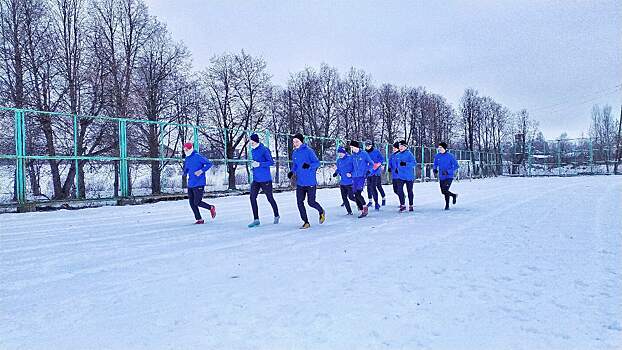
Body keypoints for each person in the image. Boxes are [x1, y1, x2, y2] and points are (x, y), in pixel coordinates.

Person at [287, 133, 325, 229]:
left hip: (310, 182)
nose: (295, 143)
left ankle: (321, 211)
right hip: (300, 183)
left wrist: (309, 166)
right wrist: (292, 172)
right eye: (294, 142)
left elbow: (317, 163)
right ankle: (306, 222)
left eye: (297, 141)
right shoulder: (294, 153)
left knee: (311, 202)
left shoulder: (308, 151)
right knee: (299, 202)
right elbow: (295, 165)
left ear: (301, 141)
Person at [247, 133, 280, 228]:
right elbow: (255, 162)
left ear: (256, 141)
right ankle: (256, 219)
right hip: (256, 179)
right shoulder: (252, 151)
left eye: (252, 141)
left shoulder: (264, 149)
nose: (251, 143)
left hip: (265, 179)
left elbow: (271, 162)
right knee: (252, 197)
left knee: (269, 198)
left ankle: (276, 215)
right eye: (250, 142)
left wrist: (259, 164)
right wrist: (253, 166)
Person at [183, 142, 216, 224]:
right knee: (192, 203)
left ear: (191, 149)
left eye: (187, 149)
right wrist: (184, 172)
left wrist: (201, 171)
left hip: (199, 183)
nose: (185, 151)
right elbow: (187, 168)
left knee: (197, 202)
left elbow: (209, 164)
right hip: (190, 183)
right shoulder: (187, 158)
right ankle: (199, 219)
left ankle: (211, 207)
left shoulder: (197, 156)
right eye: (184, 149)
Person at [349, 140, 374, 218]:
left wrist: (369, 171)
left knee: (358, 193)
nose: (351, 149)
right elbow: (351, 166)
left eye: (352, 147)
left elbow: (371, 163)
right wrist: (350, 173)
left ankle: (364, 208)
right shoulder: (352, 156)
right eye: (351, 147)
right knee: (355, 193)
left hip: (361, 176)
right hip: (354, 177)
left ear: (356, 147)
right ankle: (361, 208)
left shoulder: (364, 154)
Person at [433, 142, 460, 210]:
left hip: (449, 176)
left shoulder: (450, 156)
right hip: (441, 176)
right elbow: (435, 164)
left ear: (444, 148)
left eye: (441, 147)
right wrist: (435, 169)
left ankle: (447, 205)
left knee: (445, 190)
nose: (439, 149)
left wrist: (448, 171)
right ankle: (453, 195)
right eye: (439, 148)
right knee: (443, 191)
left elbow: (456, 166)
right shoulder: (437, 156)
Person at [332, 146, 356, 215]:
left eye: (341, 153)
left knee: (351, 197)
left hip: (350, 182)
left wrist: (351, 174)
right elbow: (339, 169)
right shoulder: (338, 160)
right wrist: (336, 173)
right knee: (344, 198)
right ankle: (349, 212)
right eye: (339, 153)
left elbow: (355, 168)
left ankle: (359, 203)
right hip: (342, 183)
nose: (340, 154)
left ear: (344, 153)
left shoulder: (350, 158)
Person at [395, 140, 417, 212]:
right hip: (400, 176)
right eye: (399, 146)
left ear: (405, 147)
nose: (400, 147)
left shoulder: (409, 154)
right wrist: (396, 169)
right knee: (399, 190)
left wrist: (406, 164)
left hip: (408, 176)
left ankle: (411, 205)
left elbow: (414, 163)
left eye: (402, 146)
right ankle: (403, 205)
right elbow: (397, 164)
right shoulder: (397, 155)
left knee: (409, 191)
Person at [364, 140, 386, 210]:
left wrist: (379, 164)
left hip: (375, 172)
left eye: (369, 145)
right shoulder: (364, 153)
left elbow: (381, 159)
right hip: (368, 172)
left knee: (374, 187)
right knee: (368, 188)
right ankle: (370, 201)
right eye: (366, 146)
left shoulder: (376, 151)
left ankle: (378, 202)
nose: (368, 147)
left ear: (371, 145)